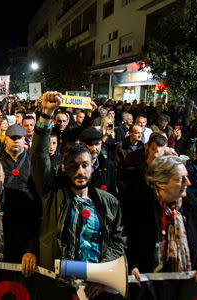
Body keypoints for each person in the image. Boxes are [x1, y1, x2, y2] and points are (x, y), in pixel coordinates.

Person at [31, 92, 126, 299]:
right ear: (64, 168)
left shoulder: (109, 203)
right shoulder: (52, 193)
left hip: (95, 289)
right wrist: (46, 115)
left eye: (85, 165)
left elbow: (118, 241)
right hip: (56, 287)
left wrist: (101, 274)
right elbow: (39, 157)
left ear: (93, 166)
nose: (80, 172)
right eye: (73, 167)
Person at [124, 156, 197, 283]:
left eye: (187, 176)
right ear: (160, 183)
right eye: (180, 179)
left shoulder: (190, 201)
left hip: (187, 282)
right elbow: (127, 241)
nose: (188, 183)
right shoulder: (140, 205)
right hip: (151, 283)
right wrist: (132, 266)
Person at [79, 127, 118, 196]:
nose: (94, 148)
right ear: (82, 145)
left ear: (101, 144)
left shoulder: (108, 166)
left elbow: (112, 194)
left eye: (97, 144)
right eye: (90, 144)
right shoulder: (74, 166)